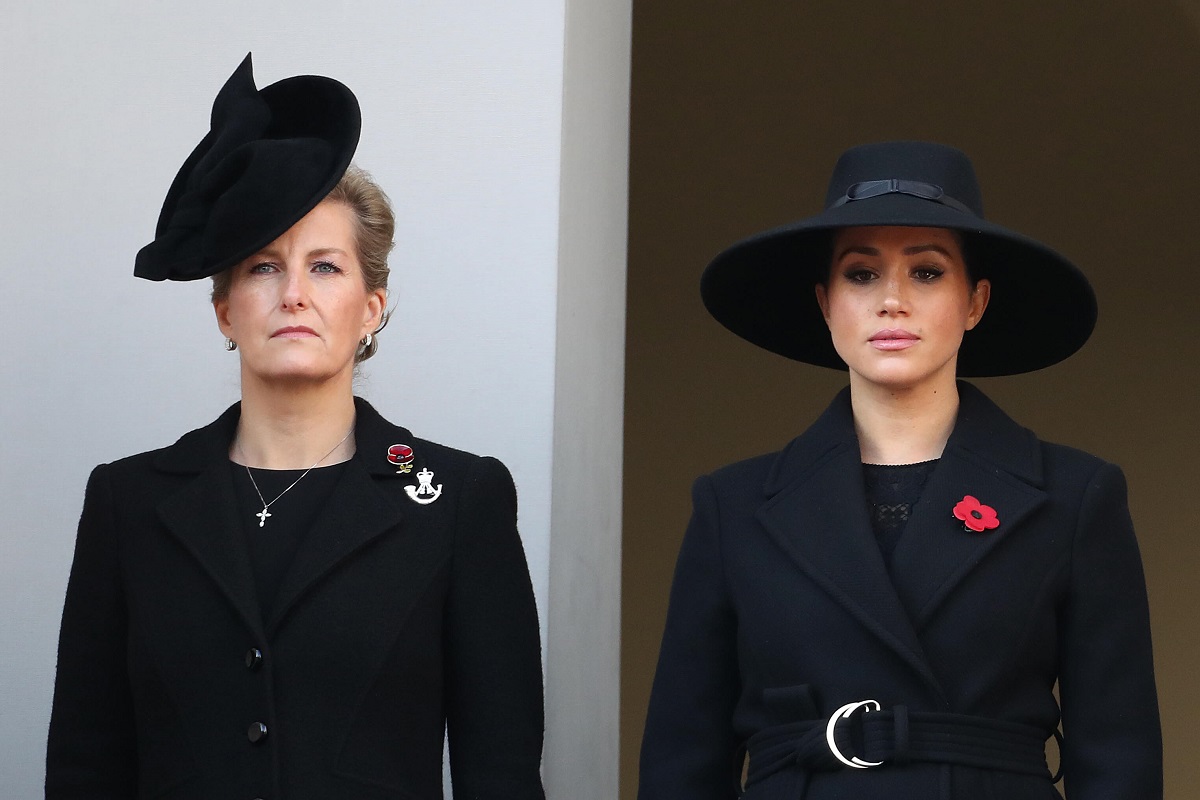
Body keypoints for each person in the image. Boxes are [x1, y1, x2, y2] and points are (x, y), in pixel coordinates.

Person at [46, 55, 545, 800]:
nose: (293, 296)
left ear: (371, 306)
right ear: (224, 309)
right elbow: (86, 766)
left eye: (325, 268)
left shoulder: (455, 499)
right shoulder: (129, 501)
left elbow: (500, 773)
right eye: (262, 268)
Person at [638, 141, 1161, 799]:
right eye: (861, 274)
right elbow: (682, 763)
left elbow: (1119, 759)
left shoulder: (1075, 498)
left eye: (927, 272)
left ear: (975, 301)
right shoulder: (733, 507)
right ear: (826, 303)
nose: (892, 300)